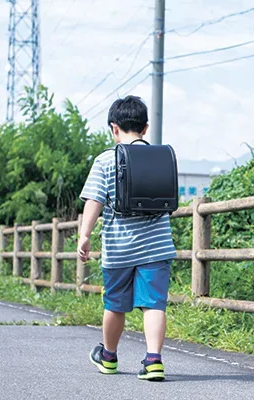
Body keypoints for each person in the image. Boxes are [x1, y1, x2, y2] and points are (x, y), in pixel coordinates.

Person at [77, 95, 176, 381]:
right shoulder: (162, 157)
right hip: (157, 247)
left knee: (115, 305)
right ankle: (154, 361)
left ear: (114, 128)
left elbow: (94, 200)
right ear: (145, 128)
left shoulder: (105, 160)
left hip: (118, 248)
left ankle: (108, 356)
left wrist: (85, 235)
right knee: (153, 304)